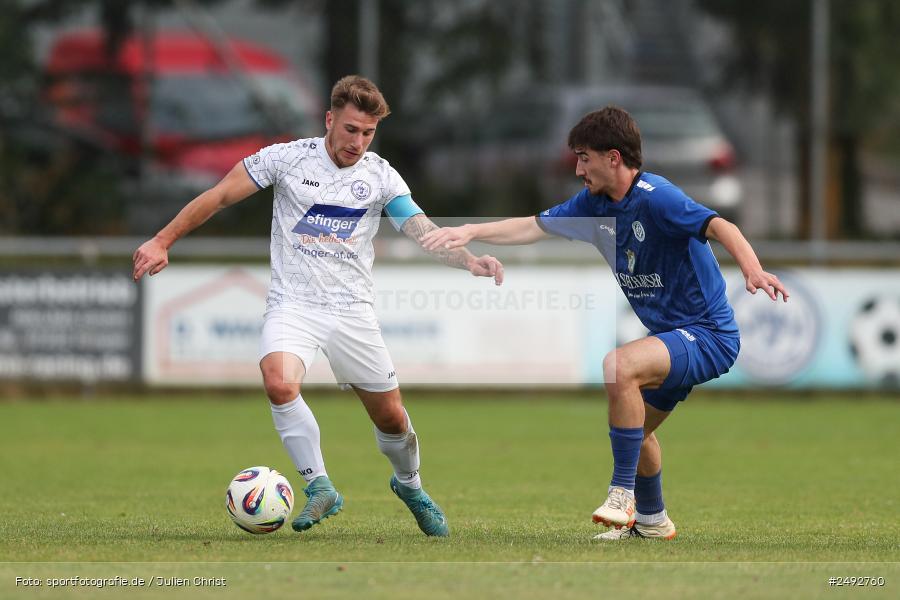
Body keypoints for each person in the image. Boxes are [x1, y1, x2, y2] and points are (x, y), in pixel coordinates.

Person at [132, 75, 504, 538]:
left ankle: (410, 485)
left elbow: (420, 229)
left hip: (353, 311)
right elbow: (220, 194)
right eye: (351, 129)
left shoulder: (380, 174)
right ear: (330, 120)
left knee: (391, 416)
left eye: (368, 133)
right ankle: (320, 485)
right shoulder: (286, 159)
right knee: (278, 381)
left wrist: (469, 260)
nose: (358, 142)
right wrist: (162, 240)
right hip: (294, 304)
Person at [421, 106, 788, 541]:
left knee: (620, 367)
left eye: (584, 157)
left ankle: (621, 495)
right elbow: (533, 226)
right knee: (637, 429)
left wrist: (751, 269)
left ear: (613, 158)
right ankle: (652, 522)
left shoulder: (657, 197)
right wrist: (469, 231)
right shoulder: (593, 205)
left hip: (709, 334)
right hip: (670, 339)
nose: (578, 168)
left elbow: (720, 225)